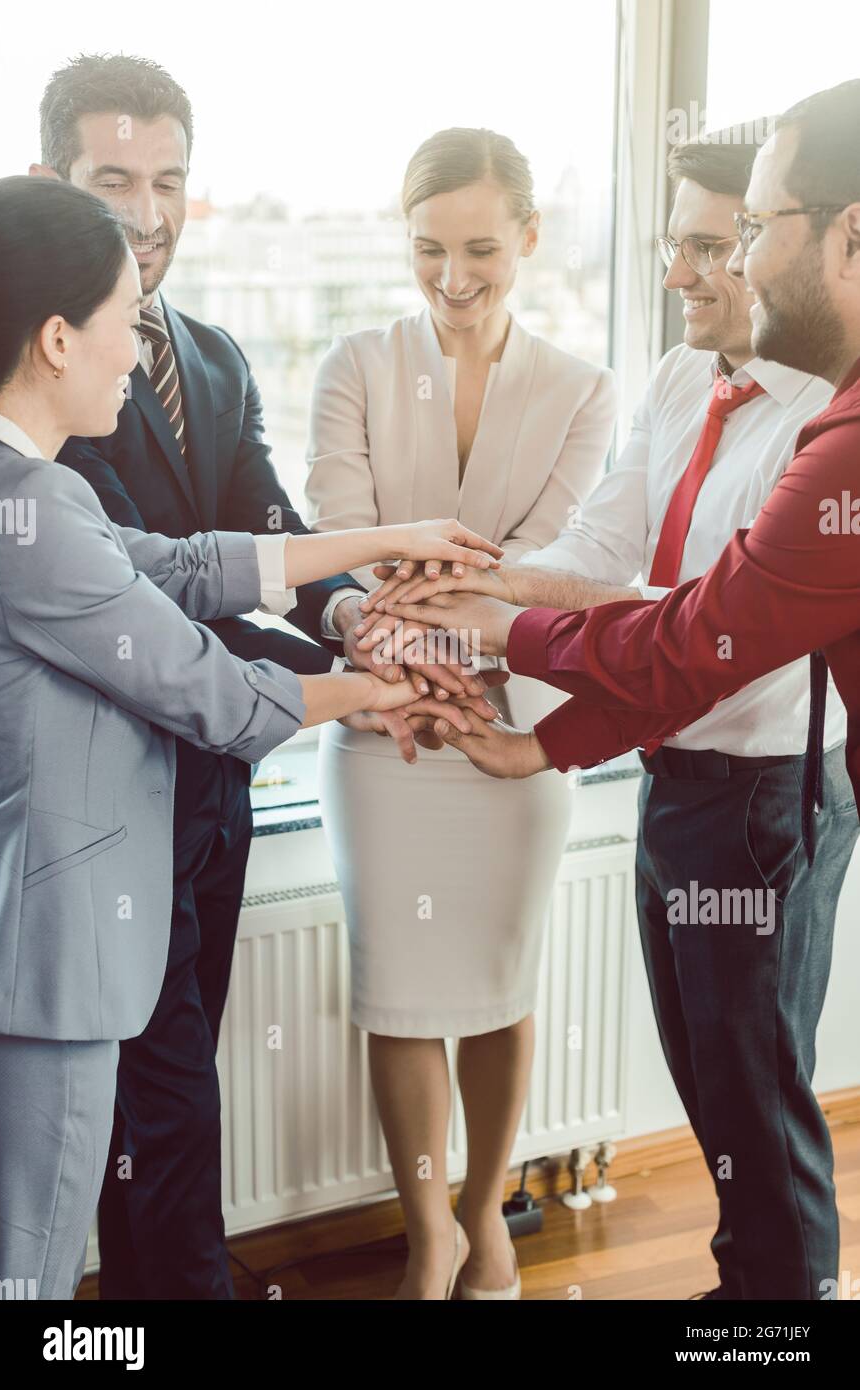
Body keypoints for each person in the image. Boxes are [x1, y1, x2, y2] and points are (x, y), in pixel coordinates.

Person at [371, 109, 860, 1300]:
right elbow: (614, 560)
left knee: (757, 1090)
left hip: (765, 803)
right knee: (717, 1083)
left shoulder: (825, 422)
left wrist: (511, 639)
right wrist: (484, 584)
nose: (700, 267)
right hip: (671, 771)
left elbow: (702, 628)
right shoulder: (684, 376)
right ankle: (755, 1290)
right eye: (690, 241)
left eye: (732, 236)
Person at [28, 54, 494, 1300]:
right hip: (108, 816)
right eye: (114, 181)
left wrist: (358, 613)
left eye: (171, 180)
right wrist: (375, 681)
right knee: (148, 1116)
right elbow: (175, 642)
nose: (150, 212)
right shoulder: (47, 433)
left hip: (206, 809)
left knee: (163, 1107)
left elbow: (231, 544)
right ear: (49, 187)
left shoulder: (212, 357)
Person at [306, 126, 616, 1299]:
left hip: (514, 732)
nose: (454, 276)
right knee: (400, 988)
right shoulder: (354, 365)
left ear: (530, 238)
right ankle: (429, 1229)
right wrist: (380, 624)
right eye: (428, 248)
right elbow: (347, 548)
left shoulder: (583, 392)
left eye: (482, 246)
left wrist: (420, 600)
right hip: (387, 725)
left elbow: (545, 565)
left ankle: (486, 1215)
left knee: (498, 981)